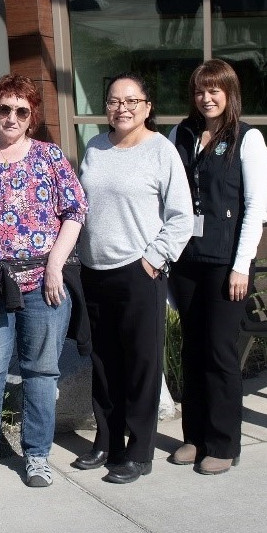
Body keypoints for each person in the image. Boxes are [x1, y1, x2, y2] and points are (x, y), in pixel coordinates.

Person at [0, 74, 88, 492]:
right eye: (4, 109)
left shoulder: (49, 156)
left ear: (32, 117)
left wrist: (55, 268)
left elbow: (75, 211)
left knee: (42, 372)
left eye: (21, 111)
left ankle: (38, 455)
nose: (12, 117)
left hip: (42, 282)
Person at [75, 73, 193, 484]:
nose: (121, 108)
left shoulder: (161, 151)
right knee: (103, 362)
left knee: (142, 363)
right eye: (113, 101)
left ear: (147, 106)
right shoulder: (94, 147)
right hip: (93, 271)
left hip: (139, 272)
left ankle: (139, 450)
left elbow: (181, 217)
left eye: (131, 100)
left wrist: (154, 259)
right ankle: (108, 442)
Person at [168, 60, 267, 475]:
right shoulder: (181, 134)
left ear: (229, 93)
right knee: (192, 348)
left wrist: (241, 265)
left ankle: (224, 442)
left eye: (214, 90)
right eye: (198, 91)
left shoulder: (249, 139)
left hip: (226, 263)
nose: (206, 98)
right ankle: (195, 436)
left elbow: (255, 209)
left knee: (220, 351)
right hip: (185, 260)